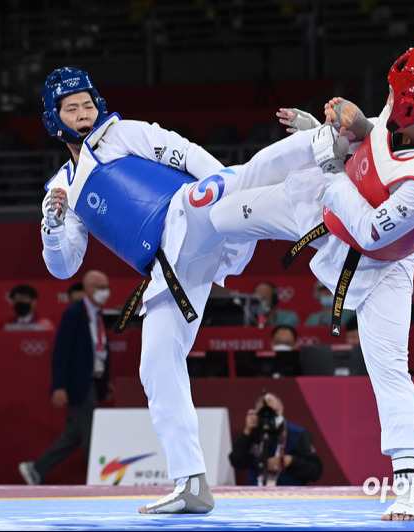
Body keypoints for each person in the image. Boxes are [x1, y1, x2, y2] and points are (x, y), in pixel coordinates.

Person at [211, 45, 414, 520]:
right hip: (323, 205)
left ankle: (409, 489)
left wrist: (329, 164)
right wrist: (340, 134)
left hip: (382, 260)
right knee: (221, 216)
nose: (390, 103)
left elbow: (372, 231)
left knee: (389, 368)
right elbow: (381, 145)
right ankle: (215, 267)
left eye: (397, 98)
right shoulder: (408, 107)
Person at [36, 66, 266, 514]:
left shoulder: (122, 134)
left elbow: (184, 153)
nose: (83, 113)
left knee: (268, 197)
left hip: (193, 213)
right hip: (170, 265)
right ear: (54, 118)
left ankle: (319, 157)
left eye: (87, 104)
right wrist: (52, 225)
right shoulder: (61, 187)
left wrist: (228, 191)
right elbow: (64, 267)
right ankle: (192, 483)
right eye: (71, 108)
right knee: (157, 366)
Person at [18, 270, 113, 485]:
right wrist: (59, 386)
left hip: (91, 379)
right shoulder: (74, 314)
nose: (104, 292)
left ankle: (36, 469)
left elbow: (99, 349)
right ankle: (99, 481)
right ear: (87, 288)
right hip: (79, 382)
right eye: (100, 287)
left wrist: (104, 382)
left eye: (106, 287)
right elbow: (61, 353)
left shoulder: (97, 314)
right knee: (89, 434)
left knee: (74, 434)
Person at [228, 391, 322, 486]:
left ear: (282, 410)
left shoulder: (298, 434)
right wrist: (247, 432)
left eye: (274, 412)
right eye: (265, 412)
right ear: (256, 412)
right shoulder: (253, 433)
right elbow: (236, 462)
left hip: (289, 494)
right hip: (256, 494)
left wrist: (290, 461)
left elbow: (316, 471)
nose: (270, 416)